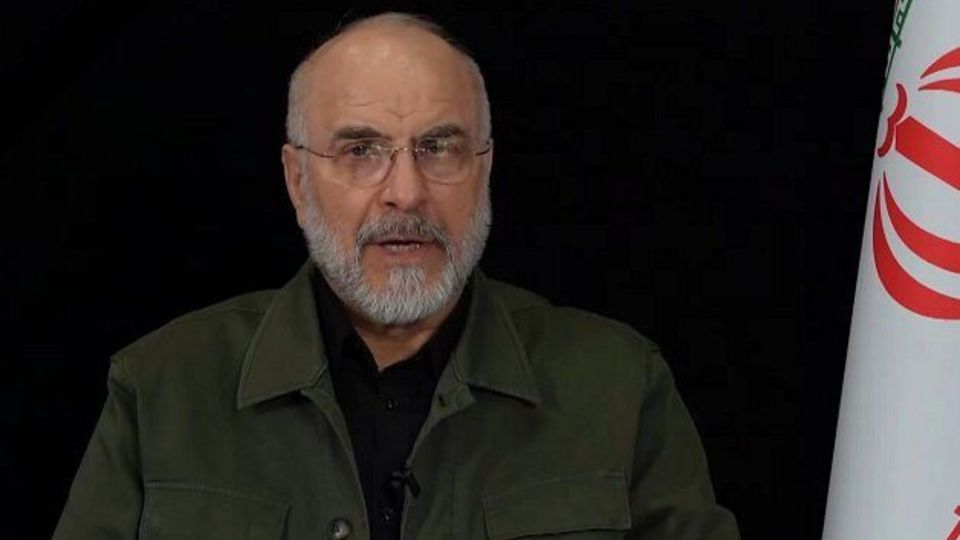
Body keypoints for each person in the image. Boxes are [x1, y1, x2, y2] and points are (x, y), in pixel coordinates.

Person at [53, 12, 739, 540]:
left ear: (485, 168)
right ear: (297, 180)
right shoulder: (161, 390)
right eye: (361, 150)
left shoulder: (619, 386)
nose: (405, 193)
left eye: (438, 147)